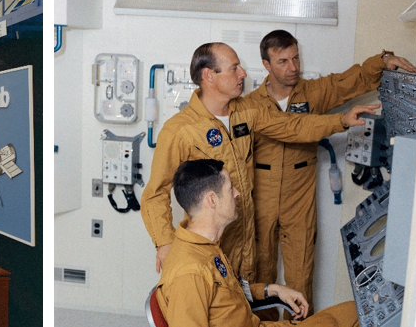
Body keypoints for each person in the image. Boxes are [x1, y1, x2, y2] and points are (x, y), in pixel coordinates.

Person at [142, 42, 379, 287]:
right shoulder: (180, 130)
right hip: (211, 238)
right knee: (217, 305)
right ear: (209, 75)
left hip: (246, 232)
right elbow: (155, 193)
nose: (243, 73)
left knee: (252, 299)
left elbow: (292, 126)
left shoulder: (246, 111)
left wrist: (340, 120)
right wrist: (165, 243)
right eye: (234, 68)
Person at [243, 30, 416, 319]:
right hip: (260, 197)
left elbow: (351, 80)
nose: (292, 68)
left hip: (298, 199)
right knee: (261, 276)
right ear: (266, 65)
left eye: (295, 58)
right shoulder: (250, 105)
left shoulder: (312, 92)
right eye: (283, 61)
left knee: (300, 274)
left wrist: (382, 60)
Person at [155, 159, 361, 327]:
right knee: (360, 320)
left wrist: (272, 290)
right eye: (230, 187)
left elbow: (227, 292)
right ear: (212, 200)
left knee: (357, 312)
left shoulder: (204, 246)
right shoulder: (189, 273)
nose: (236, 193)